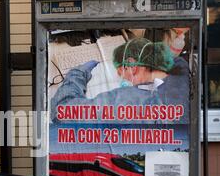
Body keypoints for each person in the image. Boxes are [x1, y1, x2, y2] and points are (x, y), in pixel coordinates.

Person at [50, 37, 190, 124]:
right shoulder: (182, 75)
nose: (124, 79)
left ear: (132, 65)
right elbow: (176, 61)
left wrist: (77, 75)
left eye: (121, 72)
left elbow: (62, 112)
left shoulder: (125, 100)